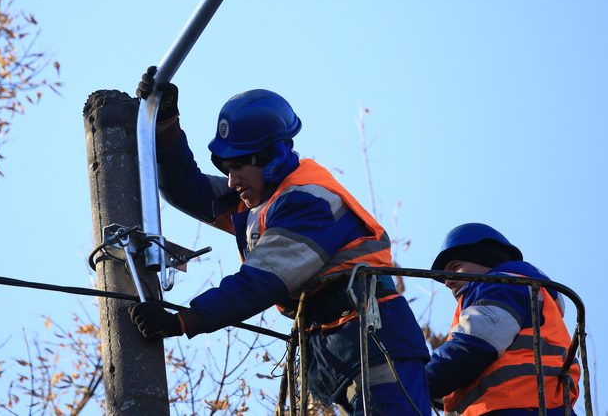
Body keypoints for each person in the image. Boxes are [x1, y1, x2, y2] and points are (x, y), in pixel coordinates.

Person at [128, 67, 431, 415]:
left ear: (270, 157)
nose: (231, 180)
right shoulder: (259, 201)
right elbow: (186, 189)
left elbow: (261, 281)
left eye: (238, 166)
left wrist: (184, 320)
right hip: (342, 353)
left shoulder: (306, 201)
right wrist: (164, 122)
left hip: (376, 345)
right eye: (226, 167)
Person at [426, 223, 581, 416]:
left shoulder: (504, 285)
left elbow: (474, 346)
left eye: (455, 267)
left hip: (514, 407)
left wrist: (419, 380)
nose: (448, 281)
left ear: (485, 258)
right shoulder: (531, 295)